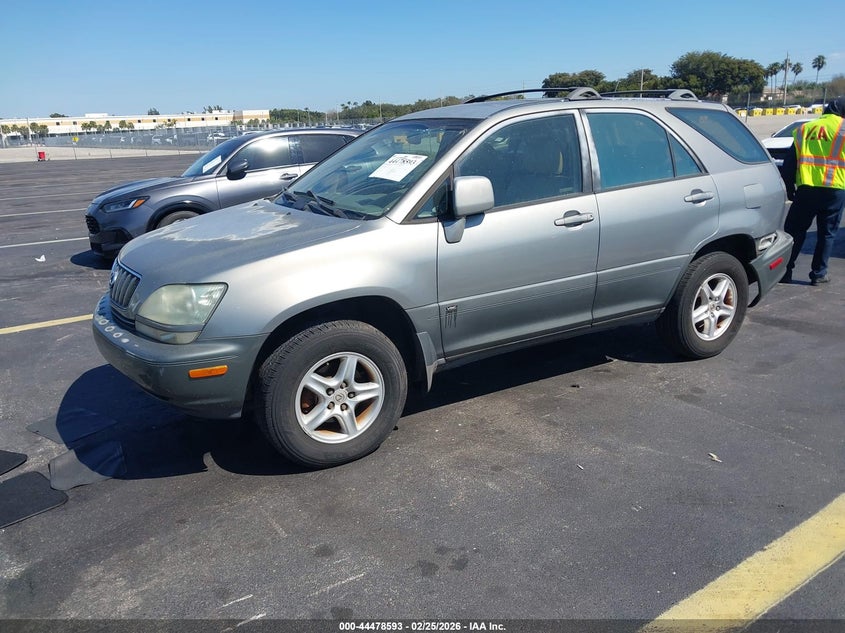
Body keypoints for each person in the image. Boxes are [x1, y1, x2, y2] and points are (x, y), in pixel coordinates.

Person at [780, 96, 845, 285]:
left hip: (806, 189)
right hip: (835, 190)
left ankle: (785, 271)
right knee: (827, 234)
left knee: (794, 232)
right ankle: (818, 274)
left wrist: (789, 186)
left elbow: (789, 163)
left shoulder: (804, 129)